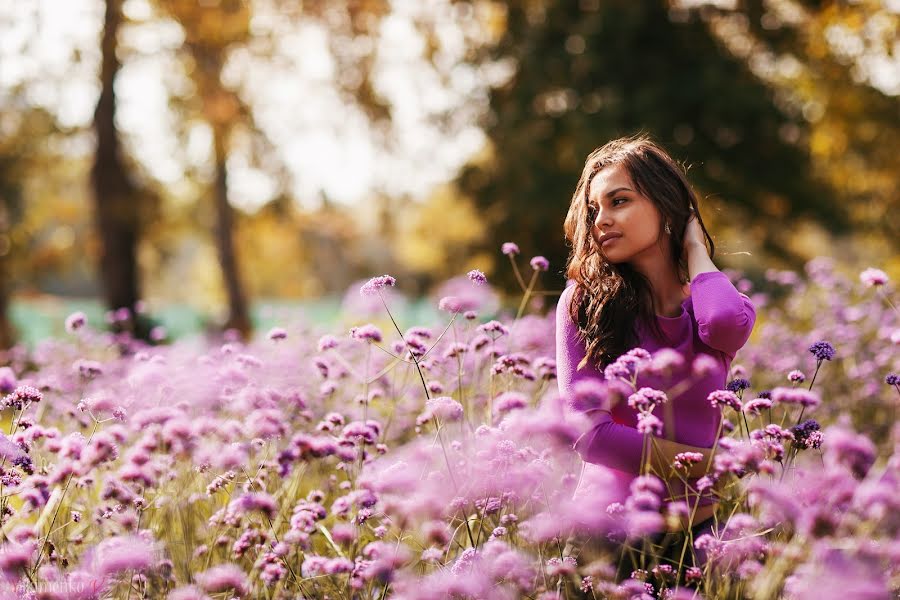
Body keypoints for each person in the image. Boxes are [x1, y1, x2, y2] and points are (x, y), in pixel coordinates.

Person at [555, 134, 757, 586]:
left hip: (701, 541)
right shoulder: (583, 304)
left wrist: (697, 251)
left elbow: (723, 322)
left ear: (667, 208)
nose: (602, 220)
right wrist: (713, 466)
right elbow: (591, 435)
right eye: (594, 210)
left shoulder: (711, 307)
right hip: (609, 541)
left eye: (619, 201)